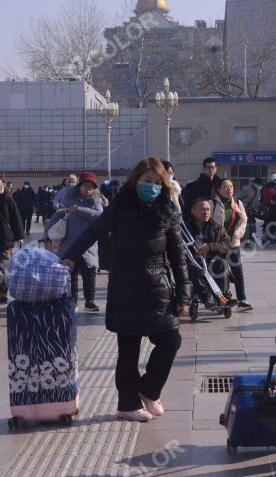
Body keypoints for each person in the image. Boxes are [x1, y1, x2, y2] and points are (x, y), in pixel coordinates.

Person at [62, 158, 191, 422]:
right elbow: (92, 233)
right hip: (125, 288)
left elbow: (178, 256)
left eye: (157, 183)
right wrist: (70, 256)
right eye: (146, 182)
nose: (151, 187)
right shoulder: (120, 207)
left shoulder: (168, 211)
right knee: (128, 350)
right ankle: (127, 405)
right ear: (136, 181)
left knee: (171, 340)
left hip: (158, 289)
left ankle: (148, 390)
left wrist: (185, 292)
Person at [46, 172, 103, 312]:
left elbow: (99, 216)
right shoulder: (69, 199)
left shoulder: (96, 201)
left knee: (90, 273)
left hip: (88, 244)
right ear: (79, 186)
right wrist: (47, 231)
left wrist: (79, 210)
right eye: (85, 186)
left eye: (91, 187)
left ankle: (90, 302)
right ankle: (74, 301)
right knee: (71, 274)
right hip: (69, 243)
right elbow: (57, 215)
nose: (88, 189)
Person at [212, 179, 253, 311]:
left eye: (230, 186)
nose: (229, 189)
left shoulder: (237, 203)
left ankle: (242, 299)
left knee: (238, 272)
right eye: (225, 186)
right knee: (220, 272)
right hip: (218, 245)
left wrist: (238, 235)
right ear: (218, 189)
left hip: (233, 243)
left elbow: (244, 220)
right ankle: (221, 299)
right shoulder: (212, 203)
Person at [186, 197, 233, 310]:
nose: (206, 212)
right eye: (202, 209)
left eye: (208, 209)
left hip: (211, 259)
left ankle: (223, 296)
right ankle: (208, 297)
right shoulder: (185, 228)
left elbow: (227, 245)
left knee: (221, 263)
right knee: (195, 267)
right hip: (193, 260)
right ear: (193, 211)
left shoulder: (216, 227)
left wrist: (210, 247)